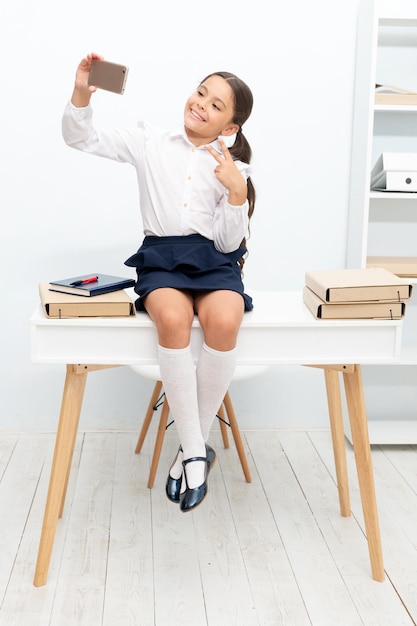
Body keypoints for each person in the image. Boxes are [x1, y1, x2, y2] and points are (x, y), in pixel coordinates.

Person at [62, 52, 255, 512]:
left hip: (214, 260)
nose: (202, 104)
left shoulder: (236, 169)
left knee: (225, 320)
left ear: (230, 128)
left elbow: (230, 245)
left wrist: (235, 193)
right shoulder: (150, 140)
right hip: (163, 257)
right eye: (201, 92)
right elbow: (79, 137)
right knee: (171, 316)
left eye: (216, 105)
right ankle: (194, 453)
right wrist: (82, 93)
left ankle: (190, 450)